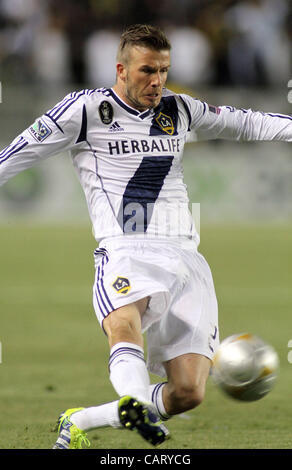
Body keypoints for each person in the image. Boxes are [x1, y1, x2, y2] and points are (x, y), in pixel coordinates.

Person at [0, 24, 291, 450]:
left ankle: (84, 418)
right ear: (121, 69)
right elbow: (14, 154)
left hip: (185, 259)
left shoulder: (180, 110)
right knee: (124, 323)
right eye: (146, 71)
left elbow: (248, 123)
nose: (156, 81)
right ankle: (133, 402)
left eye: (163, 71)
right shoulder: (85, 109)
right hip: (125, 249)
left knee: (188, 392)